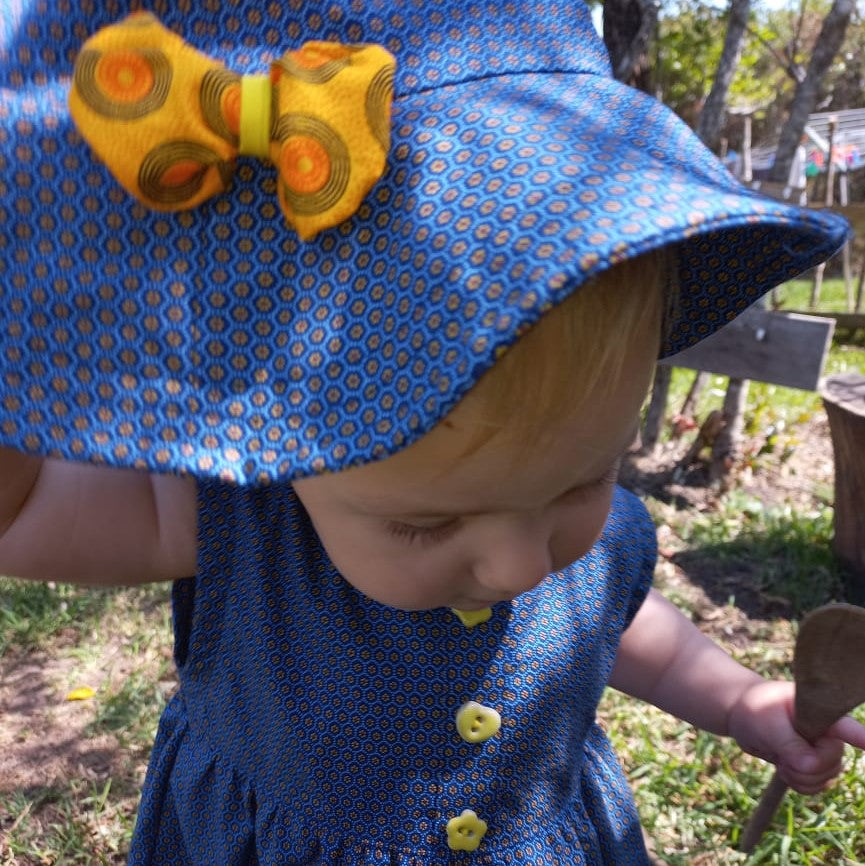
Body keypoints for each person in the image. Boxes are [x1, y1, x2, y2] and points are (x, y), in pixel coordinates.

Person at [1, 1, 863, 863]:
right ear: (265, 437)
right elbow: (22, 509)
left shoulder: (568, 541)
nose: (523, 565)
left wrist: (737, 699)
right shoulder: (232, 521)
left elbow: (633, 630)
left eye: (582, 484)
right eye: (426, 523)